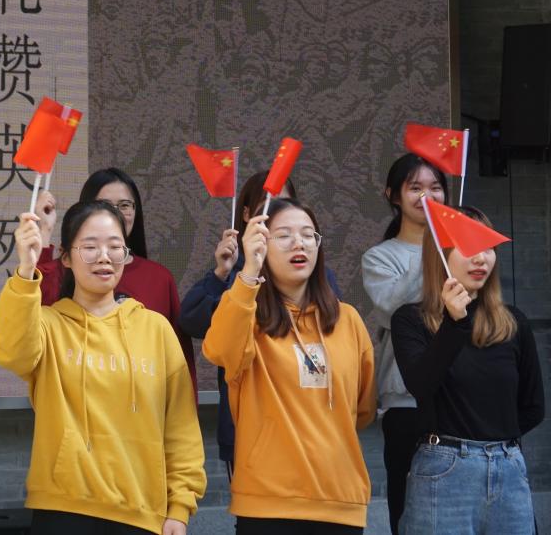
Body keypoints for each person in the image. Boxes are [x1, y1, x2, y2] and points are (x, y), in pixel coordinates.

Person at [0, 200, 206, 535]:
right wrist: (25, 269)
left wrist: (179, 507)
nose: (104, 257)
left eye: (114, 246)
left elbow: (181, 428)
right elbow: (13, 354)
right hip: (62, 508)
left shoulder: (156, 329)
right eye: (90, 247)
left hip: (141, 511)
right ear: (66, 257)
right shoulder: (48, 324)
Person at [203, 198, 375, 534]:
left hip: (340, 500)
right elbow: (219, 350)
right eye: (283, 236)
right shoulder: (246, 315)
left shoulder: (348, 319)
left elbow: (363, 408)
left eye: (308, 235)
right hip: (267, 501)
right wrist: (247, 274)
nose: (299, 243)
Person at [391, 206, 544, 535]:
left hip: (507, 468)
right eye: (468, 246)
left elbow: (533, 407)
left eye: (487, 247)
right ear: (441, 255)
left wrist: (494, 446)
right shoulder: (410, 320)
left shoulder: (513, 322)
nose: (481, 258)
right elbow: (420, 384)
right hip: (444, 468)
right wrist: (454, 324)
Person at [179, 172, 340, 480]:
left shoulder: (316, 276)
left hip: (312, 428)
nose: (275, 210)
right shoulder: (238, 271)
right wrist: (223, 274)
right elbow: (192, 320)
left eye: (283, 201)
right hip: (247, 429)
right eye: (266, 204)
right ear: (246, 214)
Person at [34, 167, 196, 388]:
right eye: (105, 205)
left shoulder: (159, 278)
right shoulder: (65, 271)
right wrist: (43, 234)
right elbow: (32, 321)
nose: (115, 213)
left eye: (125, 205)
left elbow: (179, 366)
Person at [359, 153, 447, 533]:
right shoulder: (380, 257)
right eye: (415, 188)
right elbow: (394, 308)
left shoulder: (461, 250)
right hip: (406, 400)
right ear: (393, 195)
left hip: (460, 394)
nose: (426, 196)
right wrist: (435, 253)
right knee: (409, 508)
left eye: (435, 187)